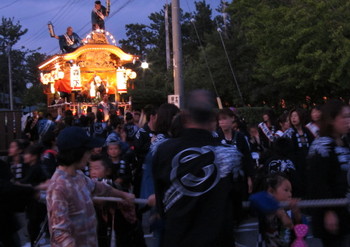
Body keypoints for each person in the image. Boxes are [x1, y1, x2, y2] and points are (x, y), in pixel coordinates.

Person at [153, 90, 243, 247]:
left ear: (185, 116)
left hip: (177, 238)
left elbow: (161, 204)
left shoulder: (163, 151)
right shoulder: (229, 154)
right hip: (218, 239)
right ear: (213, 119)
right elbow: (238, 205)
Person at [46, 126, 134, 247]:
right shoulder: (59, 187)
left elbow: (99, 187)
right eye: (88, 150)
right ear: (77, 153)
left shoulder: (78, 176)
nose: (90, 155)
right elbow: (60, 234)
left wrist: (124, 195)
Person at [307, 100, 350, 247]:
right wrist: (328, 211)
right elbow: (317, 182)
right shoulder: (321, 145)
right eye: (344, 117)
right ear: (332, 119)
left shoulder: (344, 141)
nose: (347, 121)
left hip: (344, 208)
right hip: (331, 211)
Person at [89, 154, 146, 247]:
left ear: (108, 171)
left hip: (123, 233)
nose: (93, 172)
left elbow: (102, 196)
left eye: (96, 168)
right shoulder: (90, 186)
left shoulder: (113, 186)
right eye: (91, 169)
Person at [256, 174, 302, 247]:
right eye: (286, 190)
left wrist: (297, 214)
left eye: (291, 191)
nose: (290, 194)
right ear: (271, 191)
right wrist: (281, 213)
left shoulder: (290, 210)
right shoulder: (266, 208)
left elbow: (300, 234)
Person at [283, 108, 314, 197]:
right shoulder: (289, 133)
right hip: (296, 165)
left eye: (295, 116)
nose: (293, 118)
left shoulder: (308, 131)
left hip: (308, 164)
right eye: (292, 116)